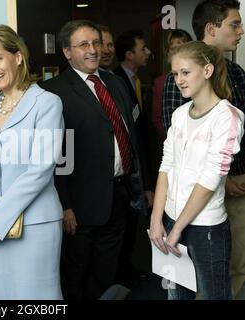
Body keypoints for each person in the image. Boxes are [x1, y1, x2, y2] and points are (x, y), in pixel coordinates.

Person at [41, 20, 147, 299]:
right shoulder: (52, 92)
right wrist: (64, 206)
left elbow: (130, 134)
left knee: (106, 274)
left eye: (96, 43)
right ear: (67, 52)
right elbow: (55, 156)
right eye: (83, 45)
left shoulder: (114, 82)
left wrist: (140, 183)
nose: (93, 50)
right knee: (75, 275)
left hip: (119, 193)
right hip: (79, 204)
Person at [0, 25, 64, 300]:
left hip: (34, 226)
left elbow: (40, 170)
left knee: (36, 299)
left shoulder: (47, 103)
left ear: (18, 57)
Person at [160, 0, 245, 298]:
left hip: (207, 220)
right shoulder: (180, 112)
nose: (179, 80)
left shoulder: (229, 111)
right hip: (174, 215)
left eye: (185, 73)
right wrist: (159, 219)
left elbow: (211, 174)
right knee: (180, 294)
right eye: (175, 74)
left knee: (218, 289)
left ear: (207, 71)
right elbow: (168, 163)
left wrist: (176, 228)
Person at [113, 29, 154, 286]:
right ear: (130, 55)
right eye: (142, 49)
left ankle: (126, 269)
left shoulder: (136, 81)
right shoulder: (116, 80)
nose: (148, 52)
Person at [152, 29, 192, 141]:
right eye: (174, 49)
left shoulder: (197, 77)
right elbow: (157, 119)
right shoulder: (161, 82)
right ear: (167, 53)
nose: (179, 53)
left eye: (183, 48)